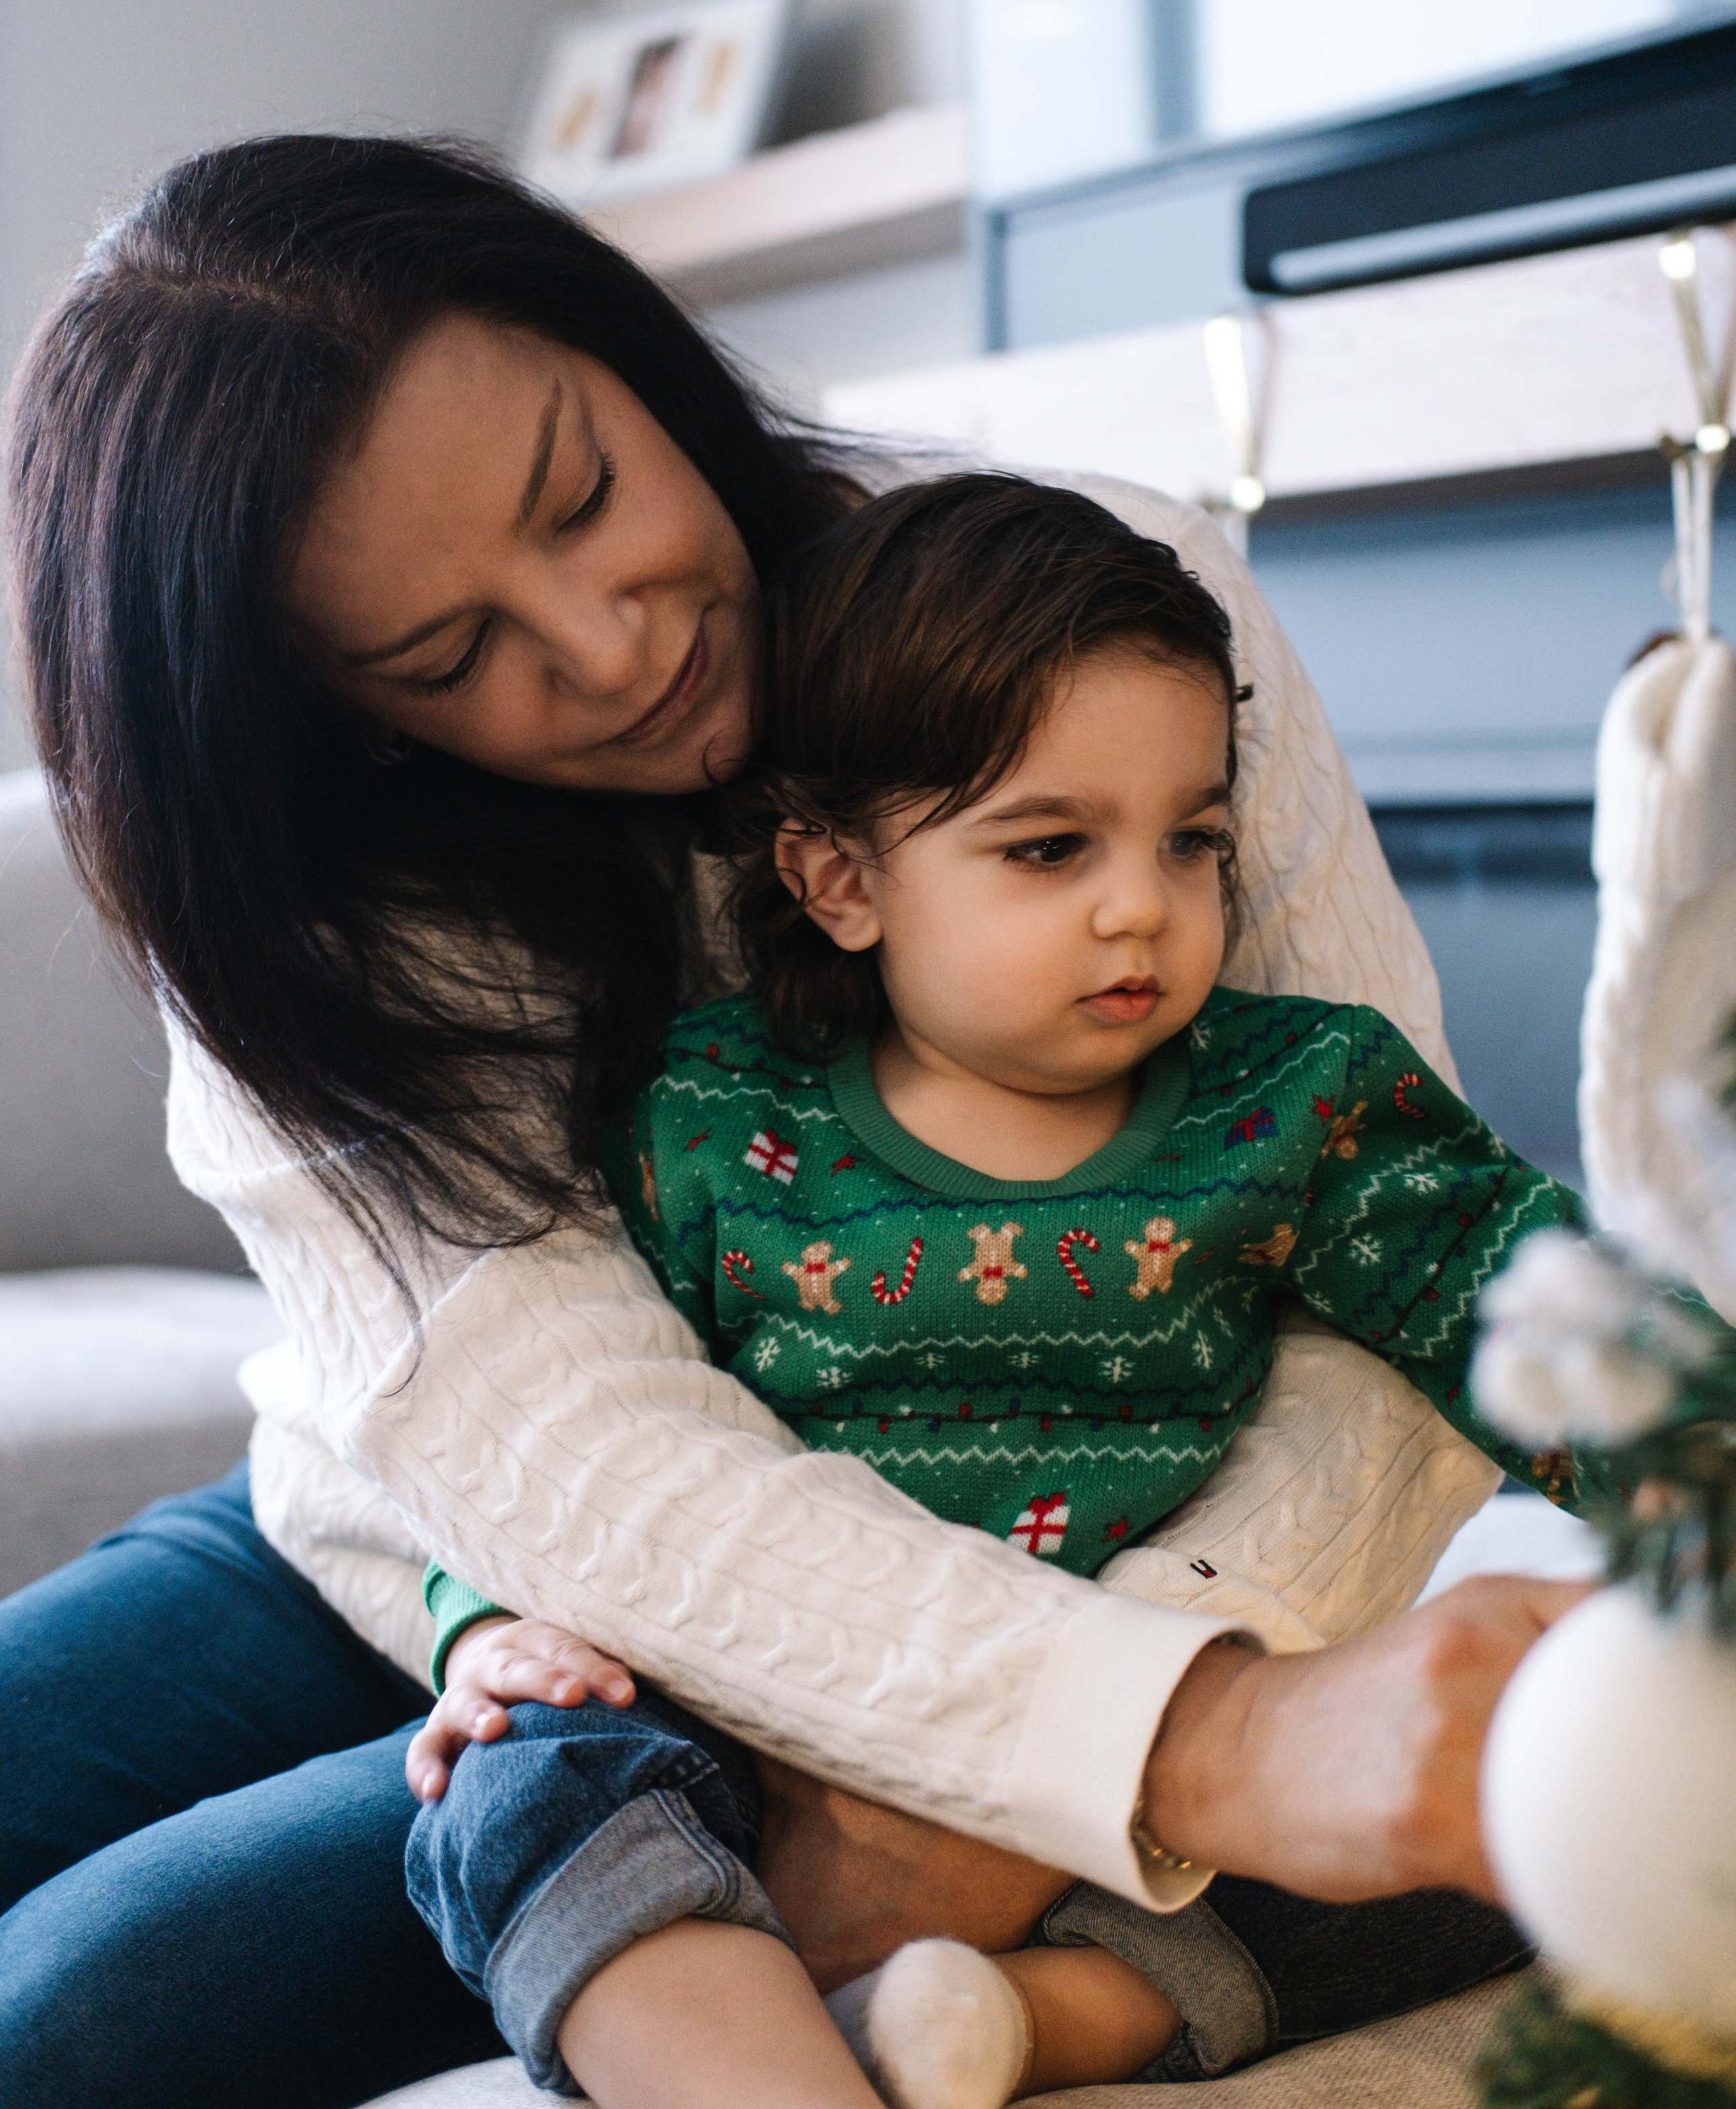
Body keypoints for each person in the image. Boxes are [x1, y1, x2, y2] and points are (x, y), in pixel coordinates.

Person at [0, 136, 1588, 2109]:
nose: (609, 643)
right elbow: (557, 1441)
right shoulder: (303, 893)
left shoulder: (1096, 604)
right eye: (447, 654)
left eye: (583, 497)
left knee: (61, 2022)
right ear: (338, 718)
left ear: (633, 353)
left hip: (988, 1519)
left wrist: (1113, 1719)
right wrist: (1166, 1748)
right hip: (440, 1537)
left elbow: (1379, 1223)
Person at [403, 474, 1584, 2106]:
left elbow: (1540, 1315)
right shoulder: (706, 1121)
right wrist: (485, 1634)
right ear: (839, 883)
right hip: (737, 1739)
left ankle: (1014, 2024)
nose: (1141, 906)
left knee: (1529, 1802)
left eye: (1191, 841)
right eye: (1047, 849)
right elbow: (542, 1455)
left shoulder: (1296, 1097)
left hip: (1120, 1783)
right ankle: (752, 2070)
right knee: (516, 1789)